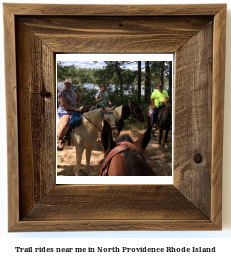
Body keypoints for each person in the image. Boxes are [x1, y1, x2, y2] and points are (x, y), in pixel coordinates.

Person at [57, 78, 82, 150]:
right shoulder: (61, 92)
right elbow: (64, 104)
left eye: (69, 84)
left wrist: (79, 94)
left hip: (73, 110)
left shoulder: (72, 92)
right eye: (66, 83)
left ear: (72, 85)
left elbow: (78, 101)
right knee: (65, 123)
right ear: (64, 84)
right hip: (64, 110)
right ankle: (58, 140)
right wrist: (75, 109)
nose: (67, 85)